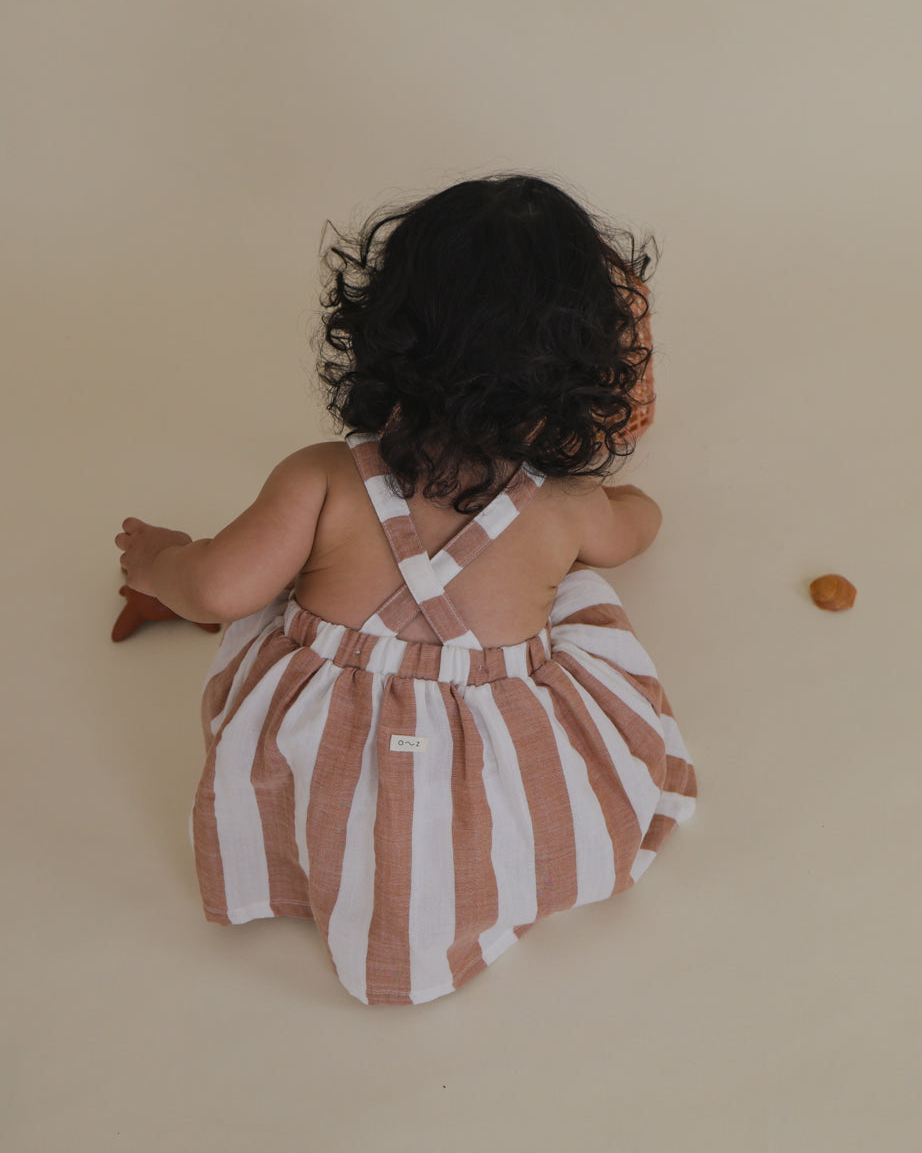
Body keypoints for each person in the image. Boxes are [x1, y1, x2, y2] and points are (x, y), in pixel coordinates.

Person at [115, 174, 697, 1005]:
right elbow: (636, 531)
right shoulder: (564, 505)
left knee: (308, 721)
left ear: (385, 328)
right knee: (577, 601)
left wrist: (159, 562)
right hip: (488, 759)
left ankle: (310, 859)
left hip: (331, 754)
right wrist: (629, 503)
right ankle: (481, 874)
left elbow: (216, 588)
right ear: (587, 366)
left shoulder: (323, 476)